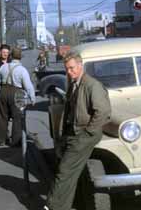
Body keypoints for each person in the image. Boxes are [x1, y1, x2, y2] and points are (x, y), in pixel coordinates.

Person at [44, 51, 111, 210]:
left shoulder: (91, 85)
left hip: (84, 134)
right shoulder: (74, 83)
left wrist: (88, 132)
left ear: (81, 66)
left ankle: (53, 207)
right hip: (73, 133)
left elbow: (103, 111)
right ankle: (65, 204)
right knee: (68, 171)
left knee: (65, 171)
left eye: (72, 68)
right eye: (67, 69)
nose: (69, 71)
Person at [0, 47, 35, 146]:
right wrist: (32, 98)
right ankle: (16, 141)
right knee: (17, 118)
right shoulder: (22, 70)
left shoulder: (3, 67)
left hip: (3, 91)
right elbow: (28, 86)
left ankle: (1, 139)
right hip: (17, 93)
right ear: (20, 57)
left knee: (2, 117)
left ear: (11, 56)